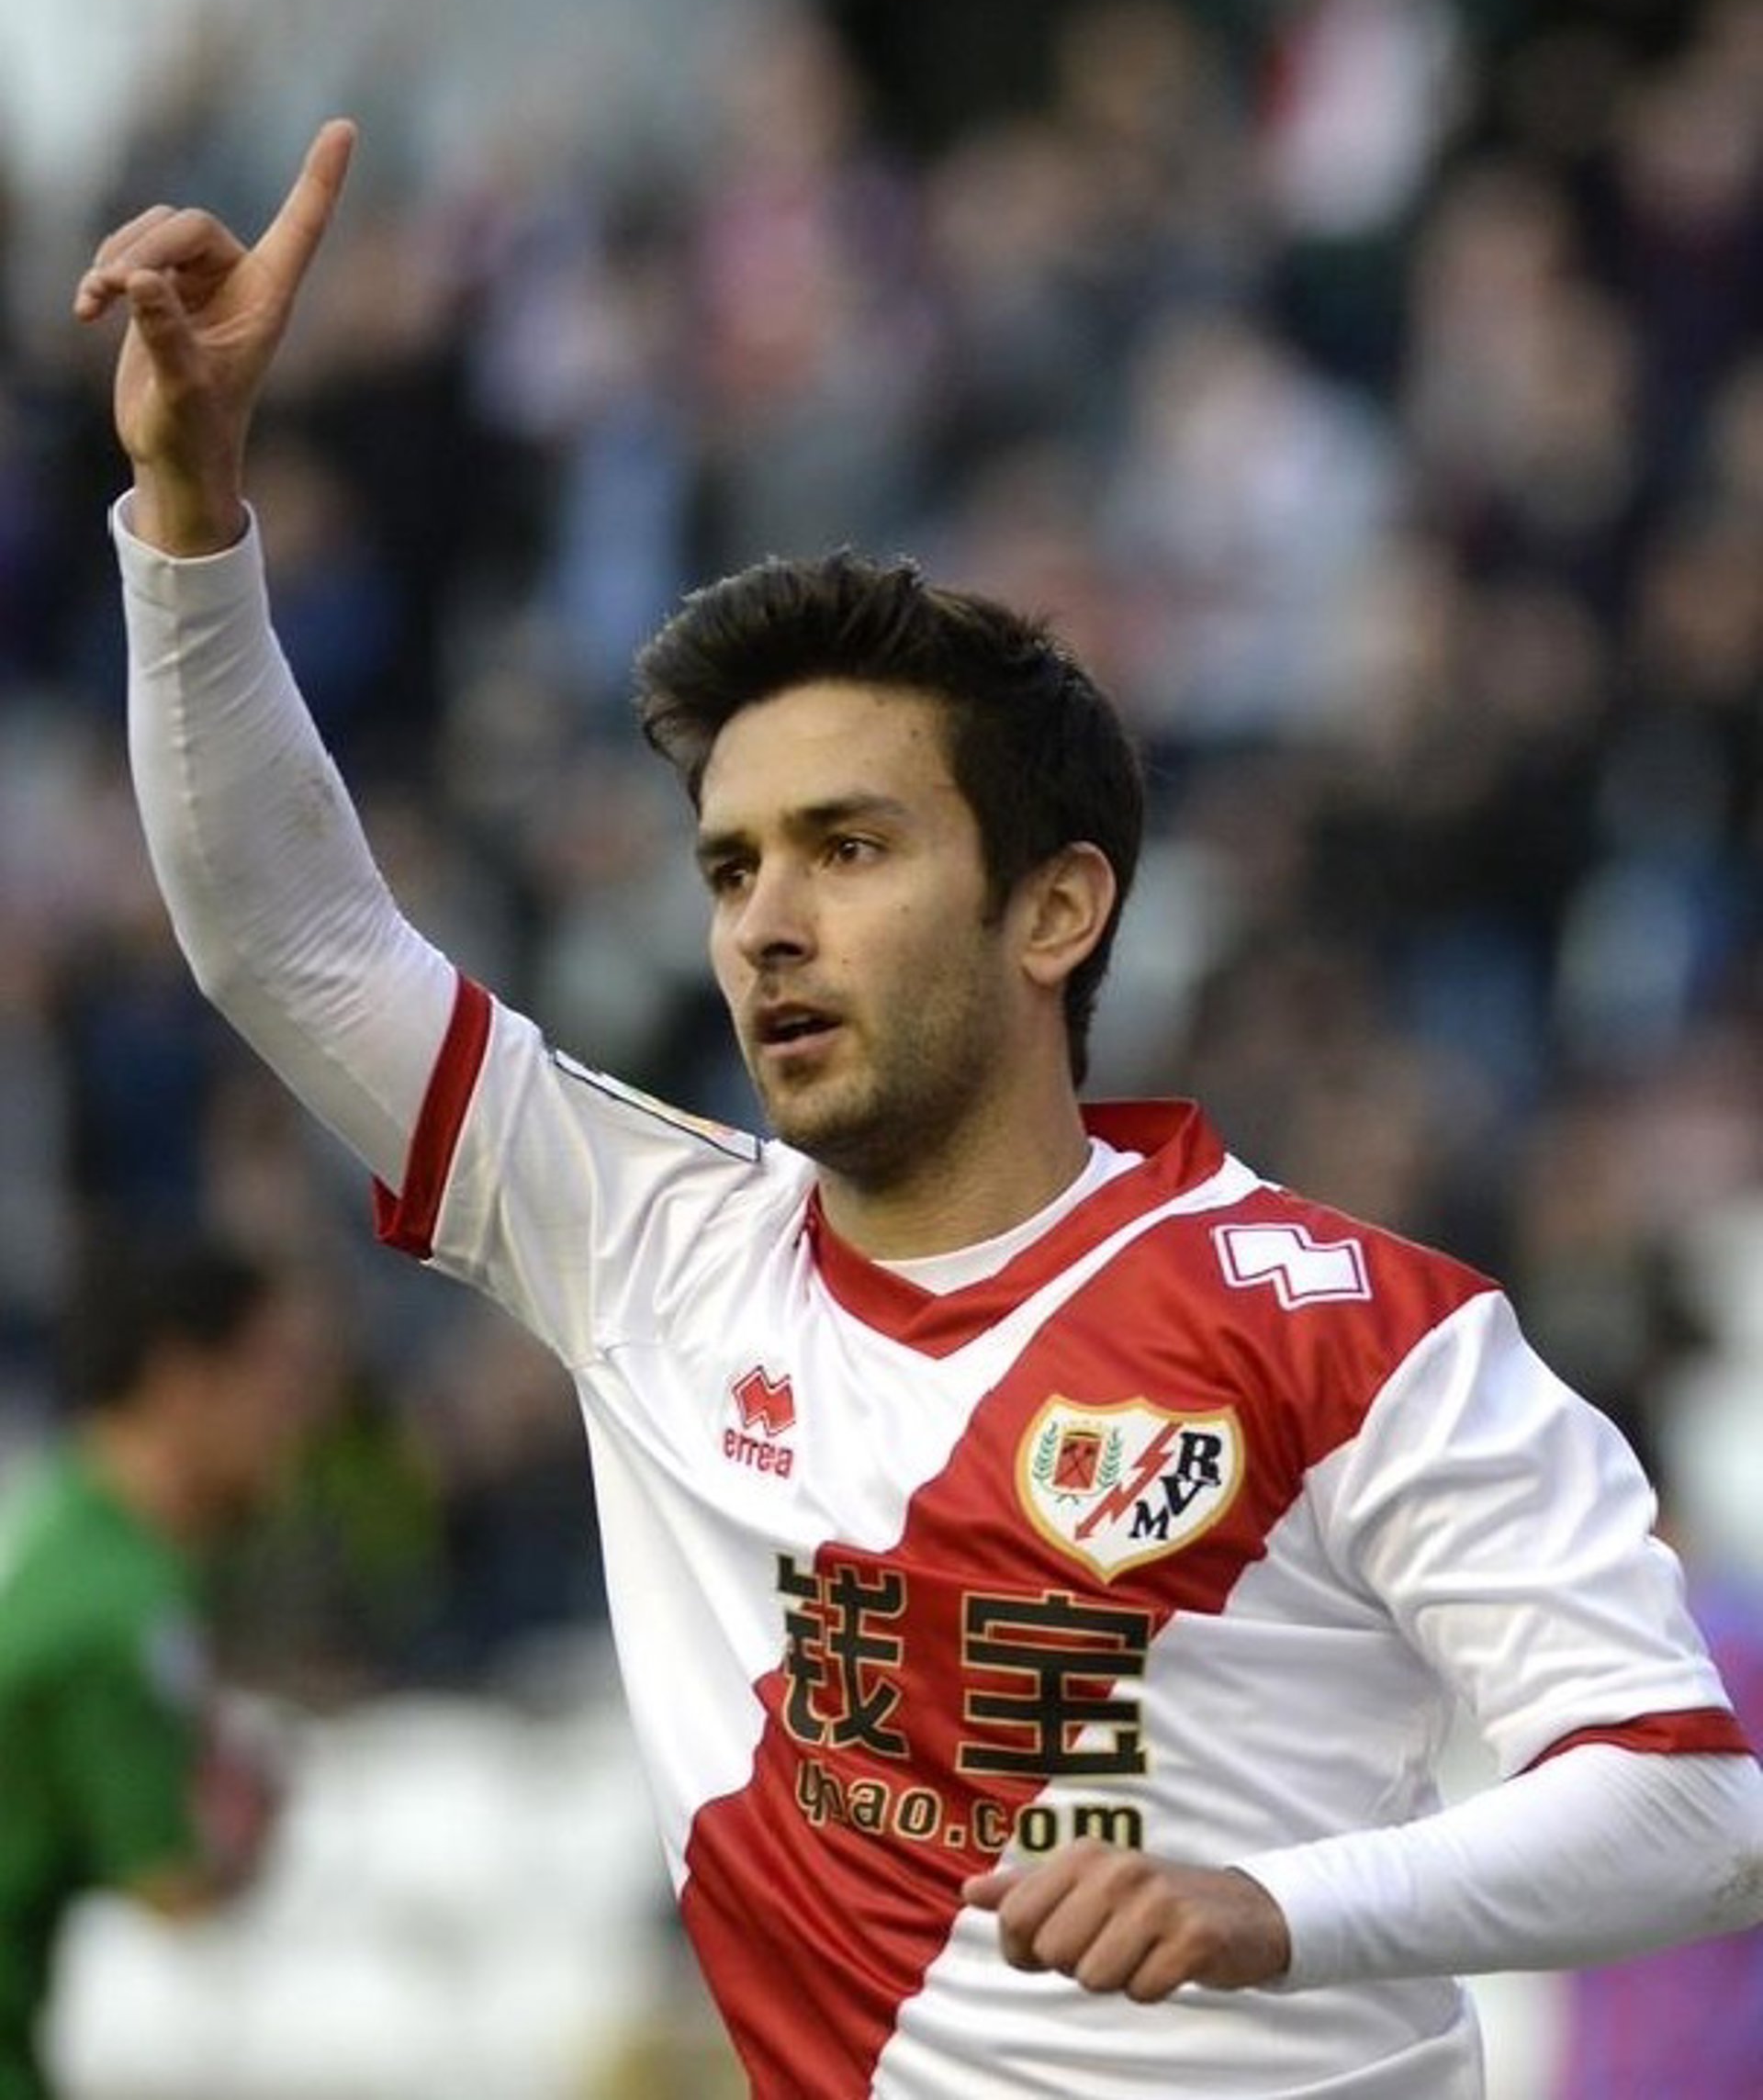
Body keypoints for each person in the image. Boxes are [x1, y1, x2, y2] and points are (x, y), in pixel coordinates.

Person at [72, 120, 1763, 2100]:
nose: (767, 923)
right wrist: (190, 511)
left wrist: (1272, 1906)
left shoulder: (1363, 1336)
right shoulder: (646, 1246)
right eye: (731, 868)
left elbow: (1688, 1805)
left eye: (850, 846)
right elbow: (291, 940)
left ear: (1058, 908)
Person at [0, 1237, 323, 2100]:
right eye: (278, 1376)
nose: (299, 1418)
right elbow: (171, 1887)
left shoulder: (66, 1517)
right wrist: (255, 1816)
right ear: (183, 1382)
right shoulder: (118, 1610)